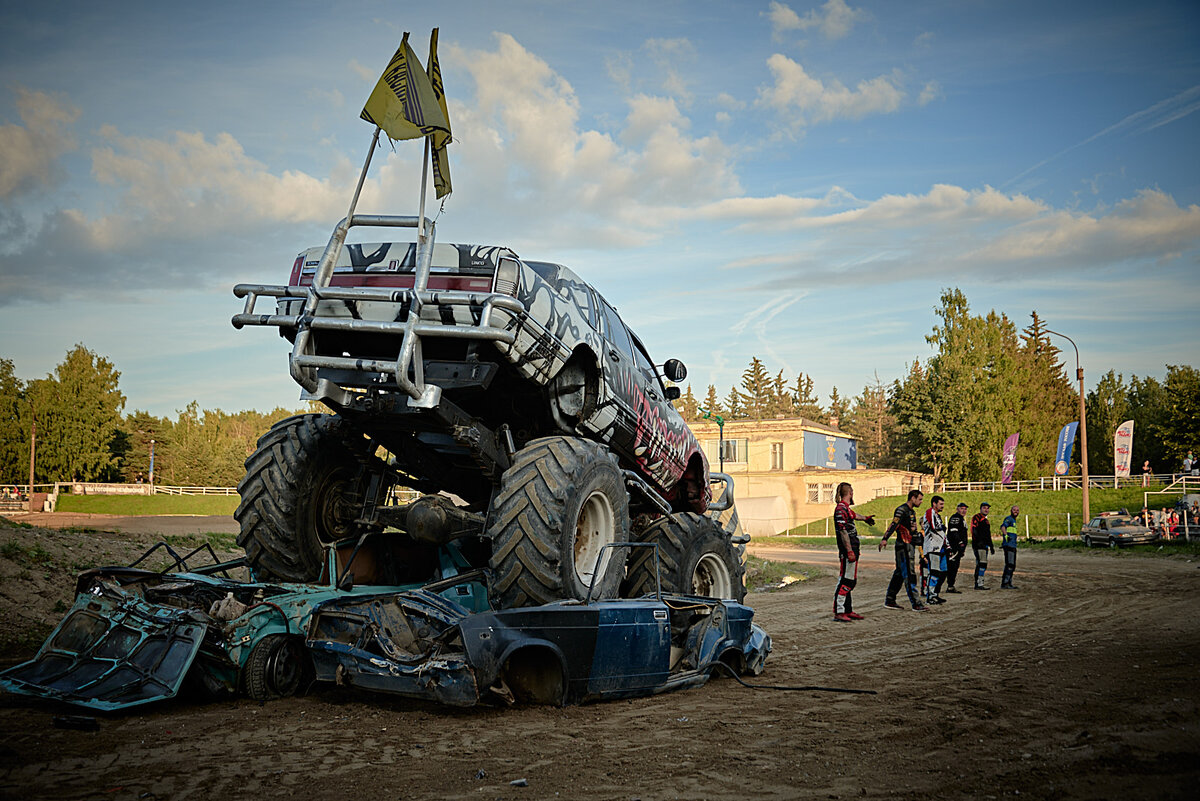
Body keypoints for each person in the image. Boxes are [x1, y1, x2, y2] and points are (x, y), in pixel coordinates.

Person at [878, 489, 928, 611]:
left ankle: (890, 600)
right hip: (903, 546)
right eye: (920, 499)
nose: (921, 502)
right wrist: (885, 538)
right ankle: (916, 603)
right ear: (913, 498)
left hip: (909, 545)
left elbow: (910, 530)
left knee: (899, 573)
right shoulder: (901, 510)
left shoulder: (912, 512)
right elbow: (893, 524)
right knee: (909, 574)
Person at [832, 482, 875, 622]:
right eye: (852, 491)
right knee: (846, 580)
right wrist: (849, 550)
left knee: (850, 579)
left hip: (853, 549)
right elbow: (843, 532)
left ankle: (847, 610)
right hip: (848, 550)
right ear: (850, 493)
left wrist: (866, 519)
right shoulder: (840, 509)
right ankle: (839, 611)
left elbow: (855, 515)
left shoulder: (845, 509)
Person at [922, 495, 949, 604]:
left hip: (941, 548)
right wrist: (942, 527)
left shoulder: (938, 515)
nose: (942, 506)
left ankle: (935, 594)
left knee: (943, 572)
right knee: (934, 572)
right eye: (941, 504)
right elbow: (934, 526)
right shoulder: (930, 512)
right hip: (932, 547)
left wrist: (947, 545)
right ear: (934, 504)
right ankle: (930, 596)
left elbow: (942, 533)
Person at [945, 502, 969, 593]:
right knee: (952, 566)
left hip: (958, 548)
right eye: (962, 508)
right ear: (957, 509)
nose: (964, 510)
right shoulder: (956, 518)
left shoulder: (961, 519)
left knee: (954, 566)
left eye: (965, 509)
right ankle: (949, 586)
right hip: (954, 547)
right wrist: (960, 543)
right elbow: (954, 531)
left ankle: (950, 585)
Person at [971, 502, 994, 590]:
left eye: (987, 508)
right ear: (980, 509)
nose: (986, 509)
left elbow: (988, 534)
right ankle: (979, 583)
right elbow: (974, 530)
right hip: (979, 545)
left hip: (984, 545)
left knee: (982, 563)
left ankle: (979, 582)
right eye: (984, 508)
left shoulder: (986, 520)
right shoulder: (977, 517)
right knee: (982, 563)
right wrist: (977, 542)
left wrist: (991, 546)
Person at [1000, 505, 1020, 589]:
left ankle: (1009, 582)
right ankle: (1005, 583)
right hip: (1009, 545)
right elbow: (1003, 526)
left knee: (1012, 565)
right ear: (1011, 510)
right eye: (1014, 510)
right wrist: (1006, 535)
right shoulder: (1009, 519)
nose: (1016, 511)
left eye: (1017, 510)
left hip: (1012, 545)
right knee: (1010, 564)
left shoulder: (1014, 521)